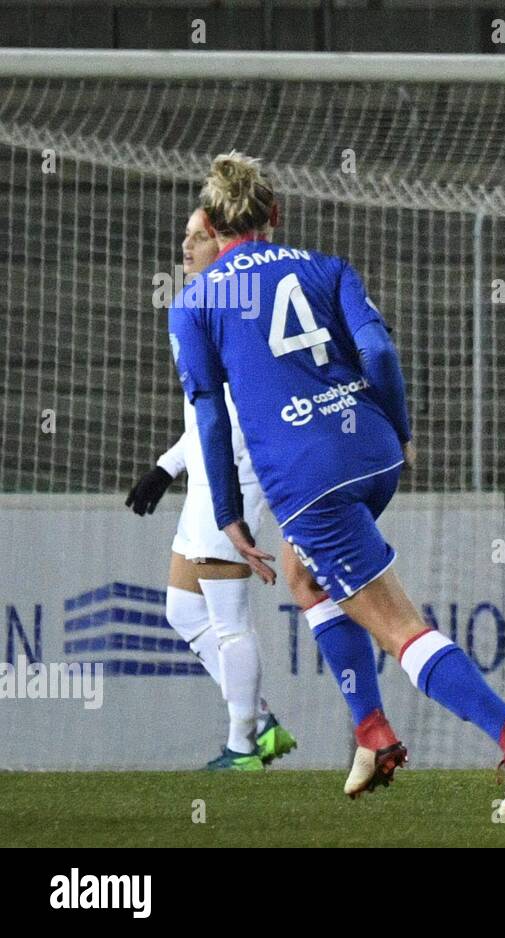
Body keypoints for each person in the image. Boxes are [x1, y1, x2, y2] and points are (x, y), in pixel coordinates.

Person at [169, 152, 505, 813]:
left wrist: (231, 512)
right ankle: (373, 733)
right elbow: (378, 352)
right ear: (276, 215)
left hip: (307, 479)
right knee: (305, 574)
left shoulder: (198, 300)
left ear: (209, 220)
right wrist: (400, 431)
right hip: (373, 451)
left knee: (397, 626)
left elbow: (210, 415)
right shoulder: (325, 266)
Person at [126, 207, 296, 772]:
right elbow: (206, 416)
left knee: (228, 622)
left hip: (233, 483)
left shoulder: (233, 307)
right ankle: (260, 720)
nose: (185, 245)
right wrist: (166, 467)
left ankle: (245, 746)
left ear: (222, 242)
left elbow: (234, 419)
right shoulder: (204, 303)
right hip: (206, 482)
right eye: (186, 234)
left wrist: (229, 487)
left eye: (198, 236)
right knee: (181, 609)